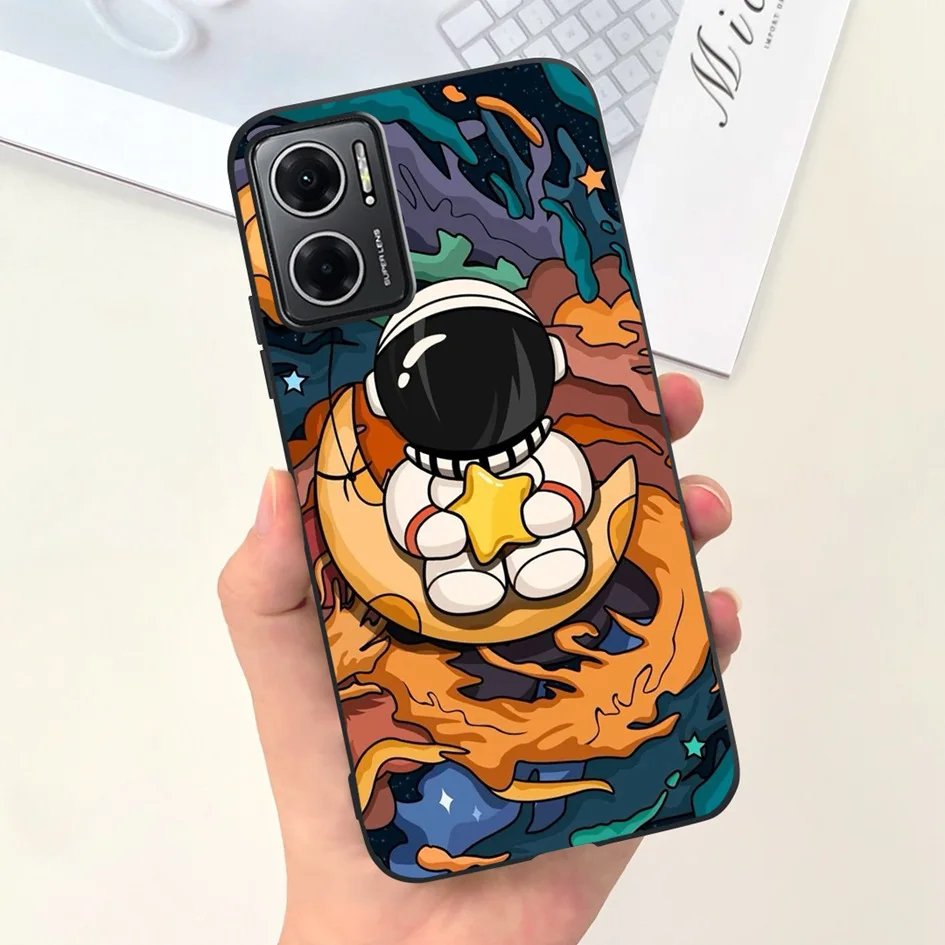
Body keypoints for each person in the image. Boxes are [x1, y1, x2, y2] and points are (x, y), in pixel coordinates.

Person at [217, 373, 743, 945]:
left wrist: (542, 512)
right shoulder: (415, 479)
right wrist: (443, 530)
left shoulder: (548, 450)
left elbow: (572, 488)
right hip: (462, 600)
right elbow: (414, 527)